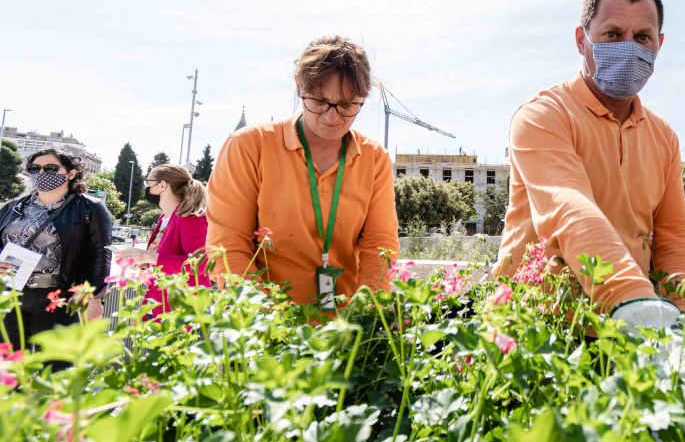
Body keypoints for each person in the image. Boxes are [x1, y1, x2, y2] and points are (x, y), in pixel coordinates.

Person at [494, 0, 685, 332]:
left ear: (658, 45)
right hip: (536, 333)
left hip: (629, 334)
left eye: (642, 38)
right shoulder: (544, 117)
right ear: (581, 40)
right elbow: (570, 210)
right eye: (612, 34)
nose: (629, 47)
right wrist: (636, 303)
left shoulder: (663, 137)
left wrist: (681, 320)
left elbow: (675, 235)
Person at [206, 35, 399, 307]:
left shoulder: (374, 158)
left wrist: (365, 316)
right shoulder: (248, 146)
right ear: (299, 87)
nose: (332, 117)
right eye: (319, 101)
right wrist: (269, 322)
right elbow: (228, 248)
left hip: (344, 330)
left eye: (347, 105)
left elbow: (379, 248)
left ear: (365, 93)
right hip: (262, 328)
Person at [0, 149, 112, 348]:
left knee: (58, 369)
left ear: (71, 173)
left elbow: (101, 254)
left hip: (58, 298)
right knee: (10, 367)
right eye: (34, 168)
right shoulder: (12, 207)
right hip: (11, 294)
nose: (41, 173)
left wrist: (94, 298)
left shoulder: (90, 208)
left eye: (50, 168)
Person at [114, 163, 210, 318]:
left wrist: (151, 257)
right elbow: (167, 260)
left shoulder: (190, 218)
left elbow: (201, 264)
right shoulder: (164, 219)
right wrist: (146, 262)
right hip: (158, 305)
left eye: (148, 183)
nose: (147, 188)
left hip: (181, 311)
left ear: (162, 185)